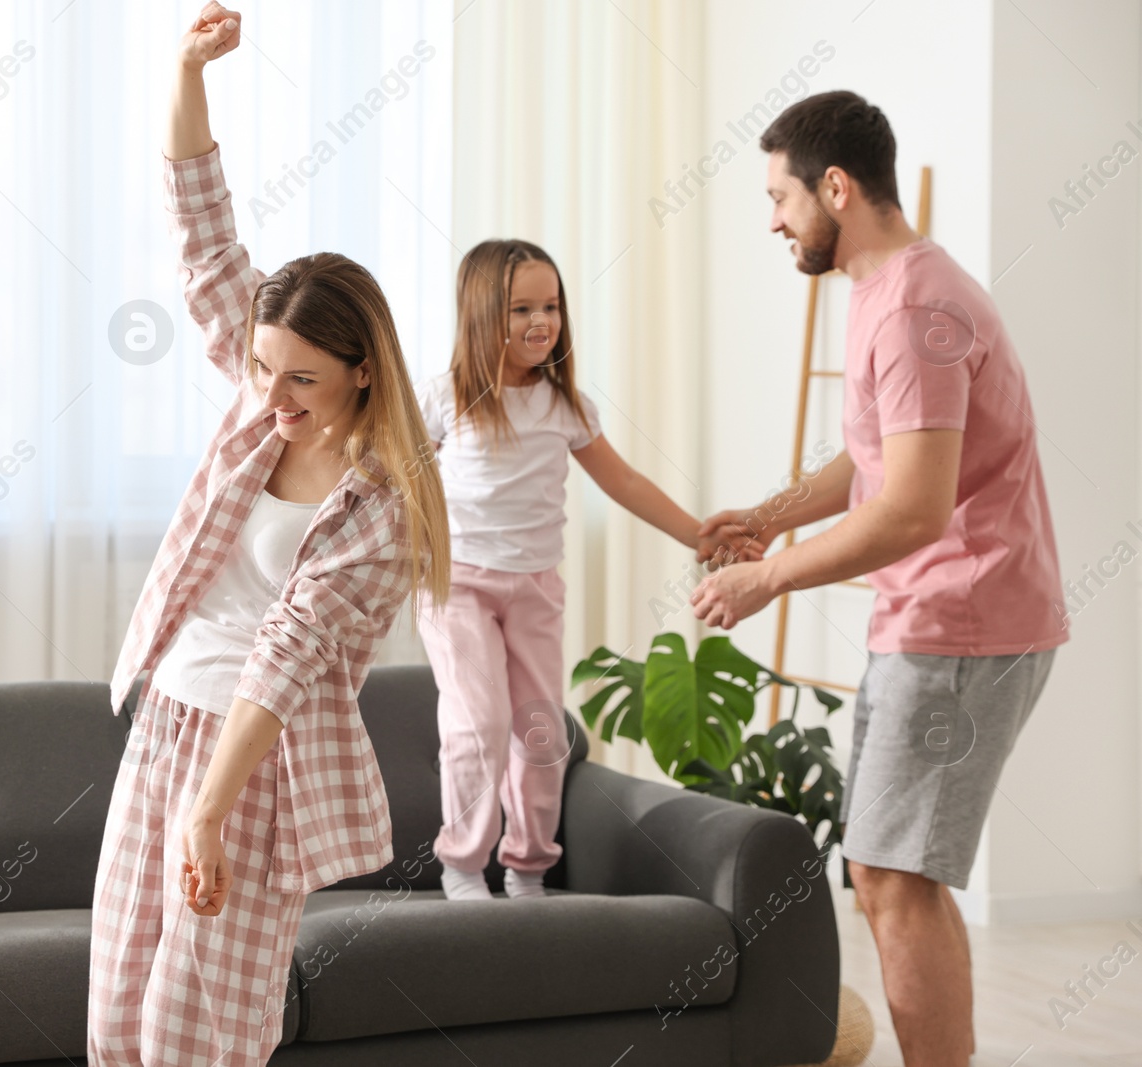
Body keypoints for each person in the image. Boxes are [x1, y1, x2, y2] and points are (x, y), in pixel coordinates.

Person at [86, 5, 451, 1063]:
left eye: (300, 378)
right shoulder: (259, 405)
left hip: (250, 760)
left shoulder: (381, 504)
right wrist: (188, 70)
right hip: (165, 720)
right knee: (117, 1018)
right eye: (259, 368)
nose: (271, 396)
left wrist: (207, 808)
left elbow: (286, 655)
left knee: (193, 1032)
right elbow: (203, 235)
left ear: (361, 368)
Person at [691, 91, 1065, 1067]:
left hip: (964, 615)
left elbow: (911, 509)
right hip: (938, 614)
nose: (772, 219)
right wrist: (769, 516)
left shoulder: (914, 309)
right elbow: (875, 462)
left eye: (780, 196)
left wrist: (768, 578)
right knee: (892, 869)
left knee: (894, 877)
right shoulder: (885, 290)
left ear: (836, 187)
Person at [416, 239, 760, 901]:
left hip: (535, 588)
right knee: (479, 721)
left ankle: (528, 868)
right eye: (521, 309)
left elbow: (624, 481)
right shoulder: (444, 398)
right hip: (457, 586)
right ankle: (462, 866)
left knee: (541, 732)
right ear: (482, 313)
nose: (541, 321)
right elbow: (390, 482)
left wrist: (698, 533)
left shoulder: (563, 405)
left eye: (551, 306)